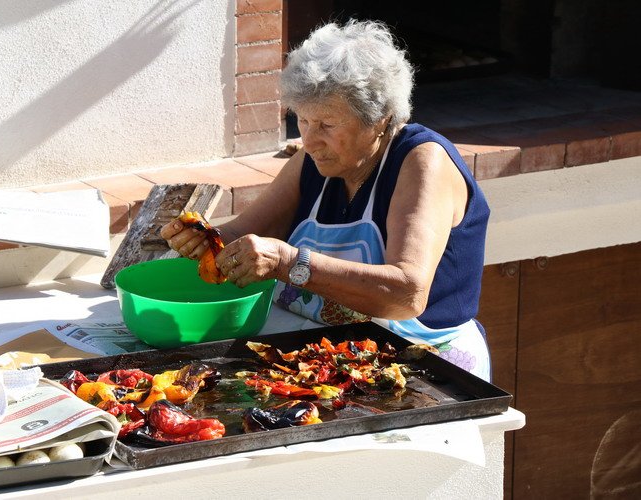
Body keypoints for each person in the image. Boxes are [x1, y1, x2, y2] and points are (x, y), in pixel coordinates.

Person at [161, 20, 491, 381]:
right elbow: (244, 232)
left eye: (327, 125)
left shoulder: (423, 162)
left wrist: (289, 262)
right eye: (302, 120)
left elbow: (406, 293)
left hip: (423, 366)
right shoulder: (313, 160)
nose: (310, 140)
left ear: (381, 119)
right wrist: (203, 240)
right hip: (333, 357)